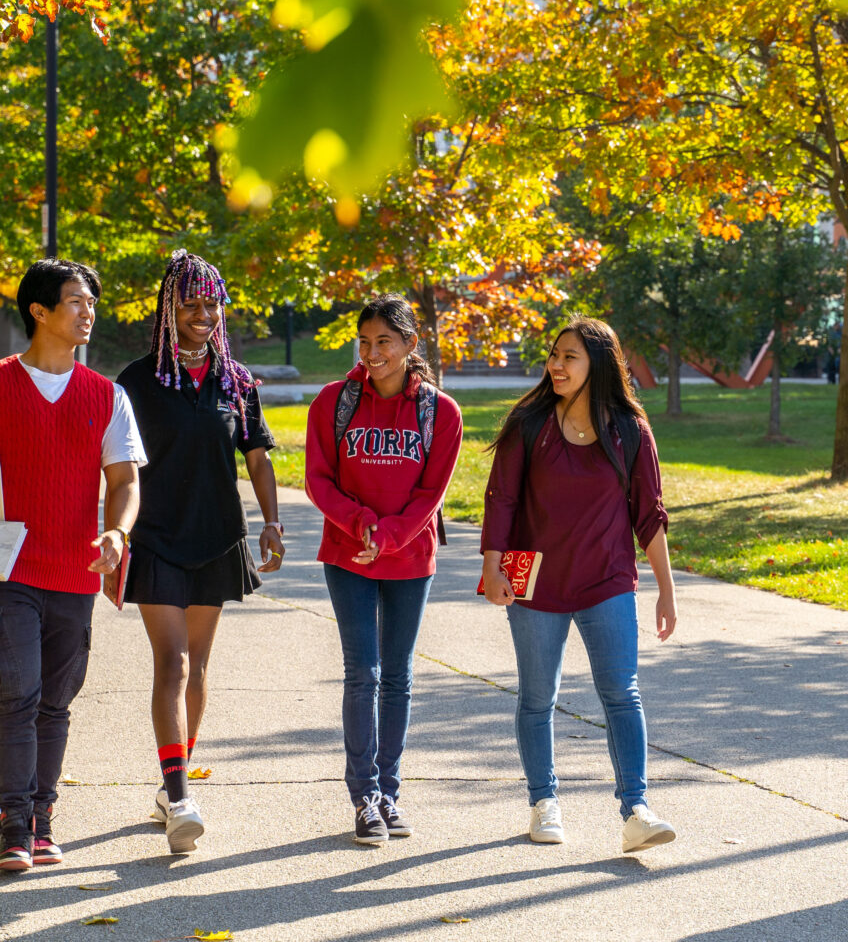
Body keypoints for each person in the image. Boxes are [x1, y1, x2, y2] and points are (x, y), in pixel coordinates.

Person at [0, 259, 145, 873]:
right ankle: (12, 825)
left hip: (75, 572)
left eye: (91, 303)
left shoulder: (108, 395)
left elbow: (125, 480)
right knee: (16, 693)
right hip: (8, 572)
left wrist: (117, 529)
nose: (88, 313)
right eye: (77, 302)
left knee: (55, 700)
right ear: (40, 311)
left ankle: (44, 818)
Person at [480, 317, 679, 853]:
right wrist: (491, 567)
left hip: (607, 582)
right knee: (538, 697)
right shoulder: (530, 422)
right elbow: (501, 498)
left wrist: (665, 588)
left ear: (598, 363)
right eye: (554, 355)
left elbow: (649, 512)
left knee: (622, 693)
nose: (557, 365)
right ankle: (544, 802)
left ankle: (636, 809)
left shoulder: (629, 430)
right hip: (537, 587)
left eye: (570, 356)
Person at [116, 251, 282, 855]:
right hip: (156, 537)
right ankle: (181, 793)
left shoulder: (236, 383)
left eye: (212, 304)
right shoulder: (136, 382)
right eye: (190, 304)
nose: (203, 315)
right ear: (169, 308)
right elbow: (115, 465)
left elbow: (257, 456)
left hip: (217, 536)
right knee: (173, 664)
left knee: (200, 667)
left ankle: (171, 782)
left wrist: (270, 521)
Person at [304, 295, 462, 845]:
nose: (372, 354)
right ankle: (364, 796)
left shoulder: (440, 412)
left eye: (384, 343)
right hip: (348, 555)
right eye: (365, 342)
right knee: (362, 671)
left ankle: (390, 793)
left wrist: (391, 536)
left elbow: (432, 491)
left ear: (410, 345)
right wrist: (362, 526)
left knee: (397, 676)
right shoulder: (333, 402)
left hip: (410, 558)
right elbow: (318, 480)